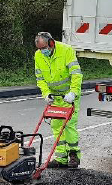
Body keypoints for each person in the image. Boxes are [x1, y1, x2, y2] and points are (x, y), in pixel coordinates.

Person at [34, 32, 83, 168]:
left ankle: (73, 155)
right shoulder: (38, 56)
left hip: (69, 97)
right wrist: (46, 94)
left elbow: (76, 74)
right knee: (56, 126)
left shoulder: (66, 50)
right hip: (55, 97)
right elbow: (40, 79)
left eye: (44, 48)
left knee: (69, 125)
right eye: (39, 49)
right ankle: (61, 158)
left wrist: (73, 92)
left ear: (51, 43)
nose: (42, 51)